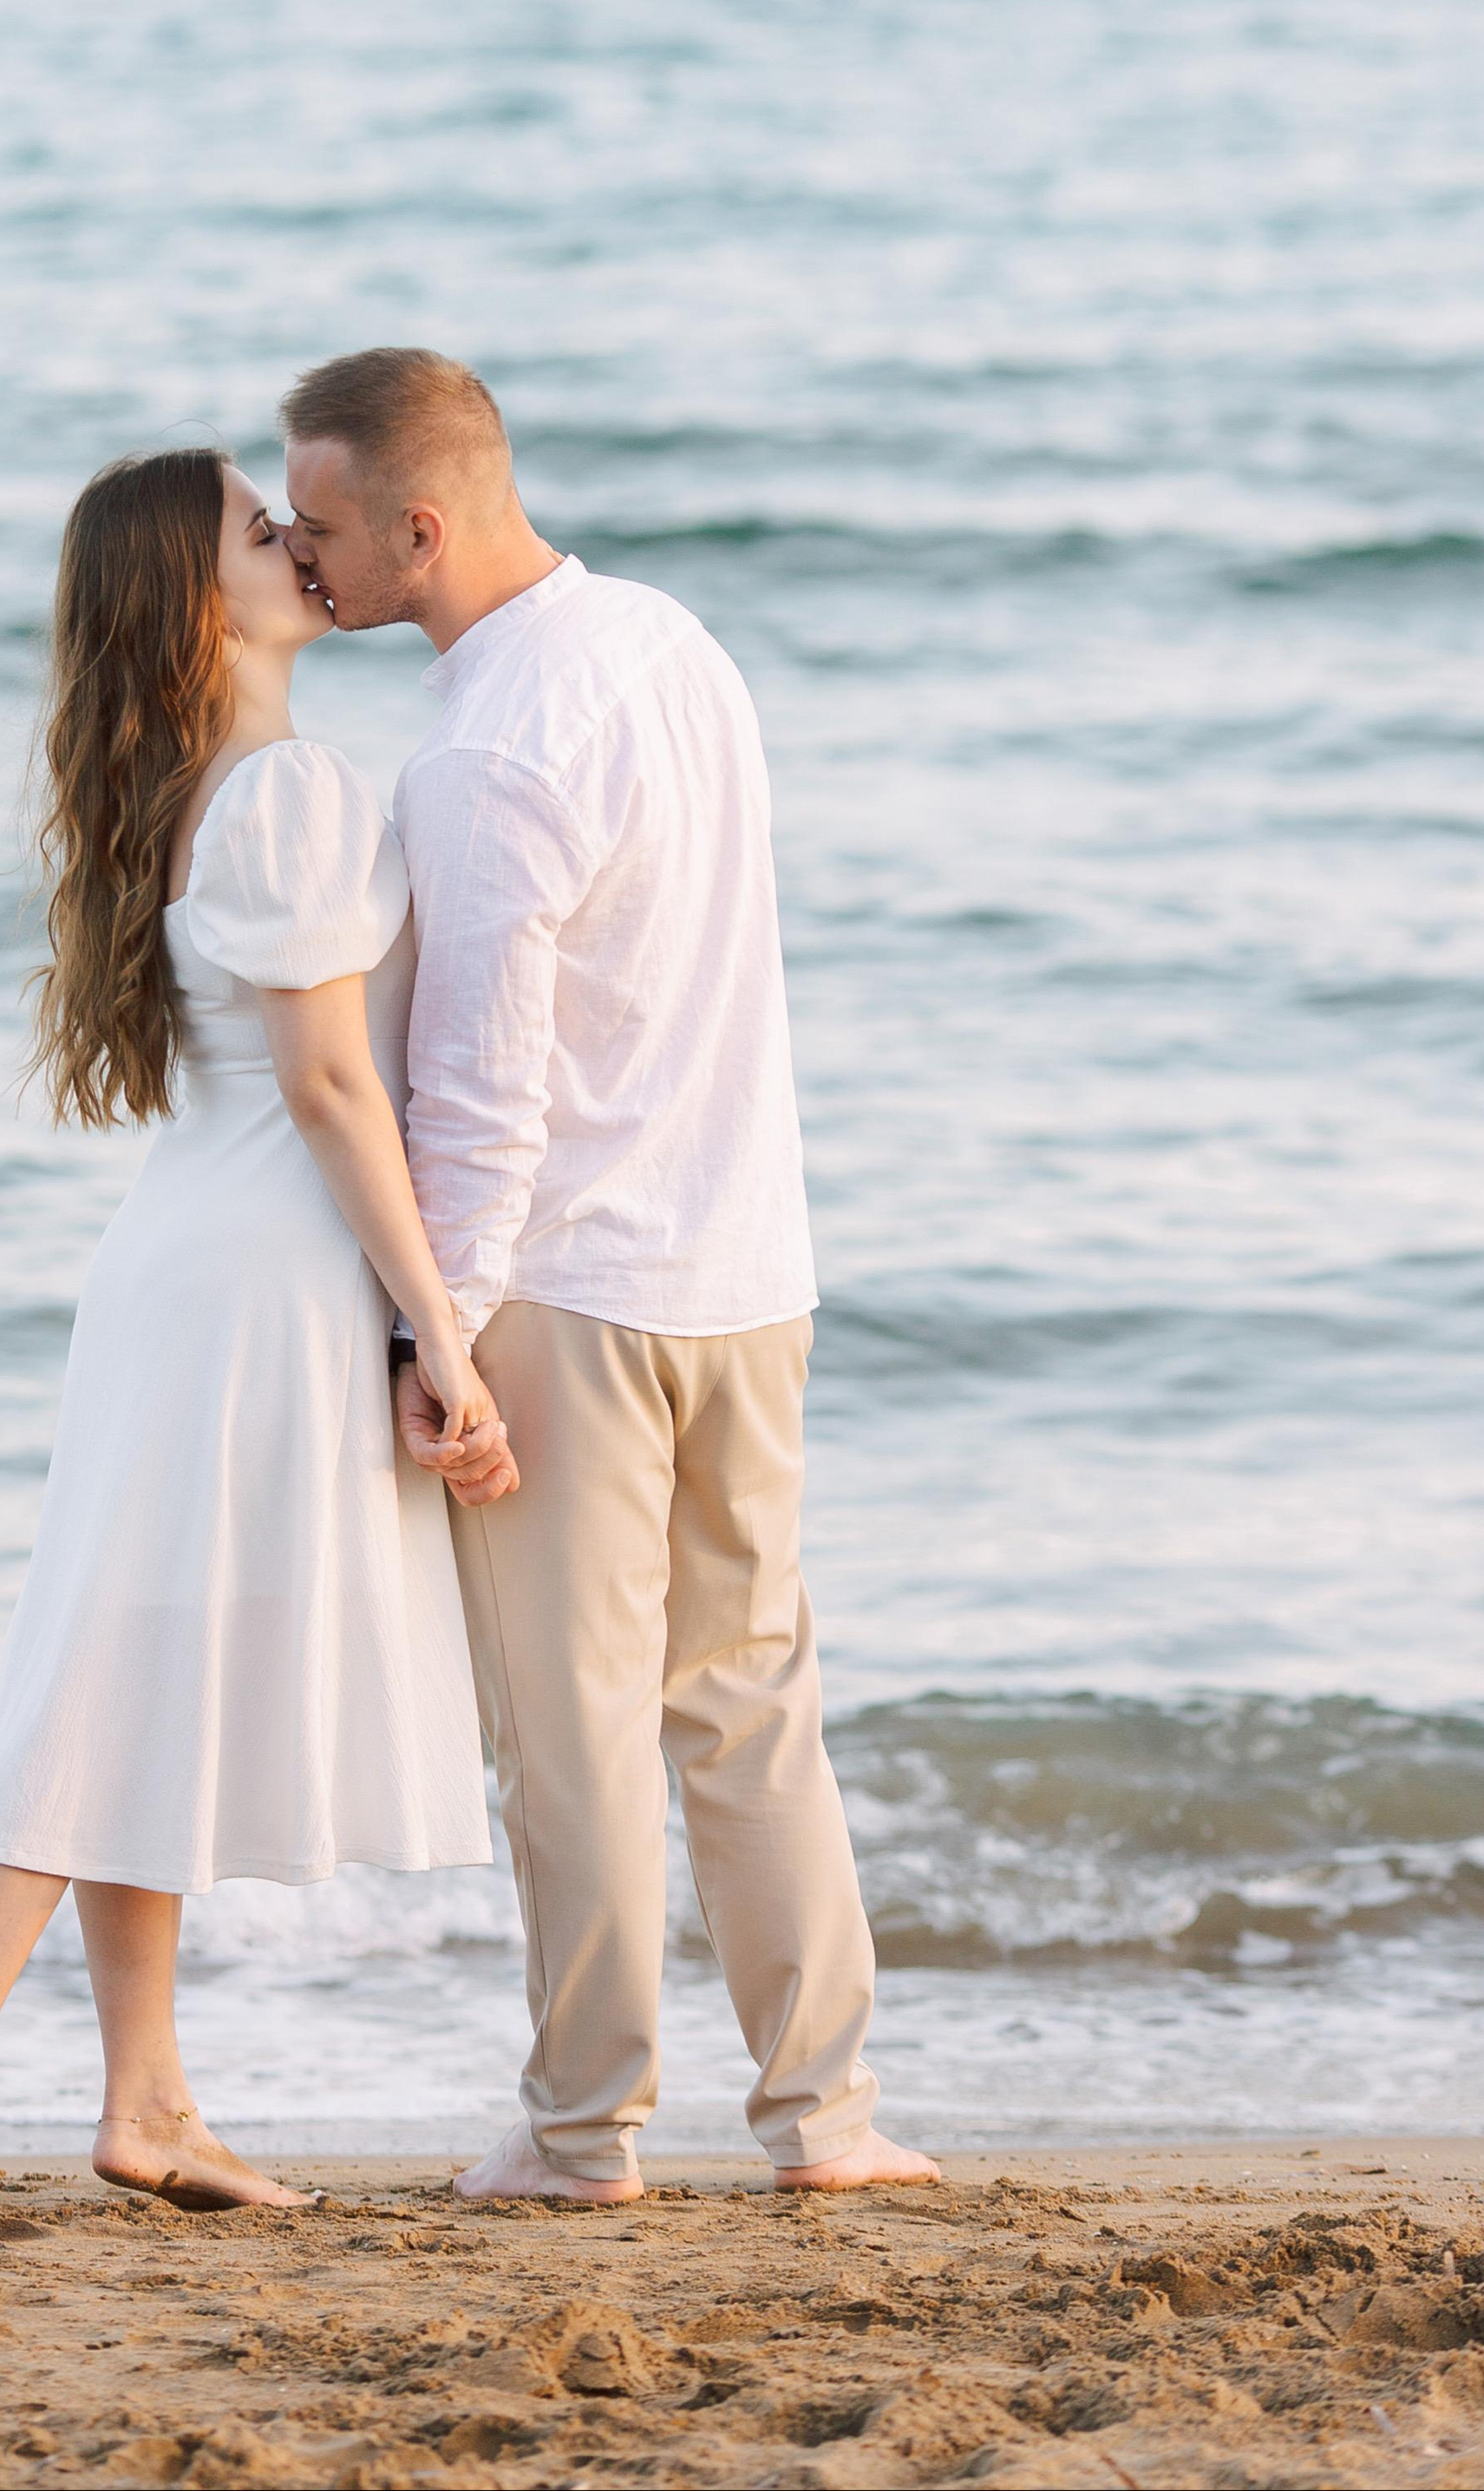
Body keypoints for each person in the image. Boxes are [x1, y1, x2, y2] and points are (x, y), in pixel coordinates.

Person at [281, 348, 936, 2203]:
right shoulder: (665, 639)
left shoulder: (484, 750)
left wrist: (440, 1339)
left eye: (319, 525)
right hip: (747, 1261)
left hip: (573, 1282)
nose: (296, 554)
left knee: (567, 1733)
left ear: (417, 524)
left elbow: (484, 1091)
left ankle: (582, 2134)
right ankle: (828, 2120)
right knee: (744, 1700)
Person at [0, 447, 512, 2229]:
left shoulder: (208, 789)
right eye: (255, 526)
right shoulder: (283, 791)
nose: (296, 542)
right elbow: (324, 1087)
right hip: (250, 1290)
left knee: (131, 1662)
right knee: (107, 1670)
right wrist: (439, 1329)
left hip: (193, 1272)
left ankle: (146, 2102)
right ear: (188, 598)